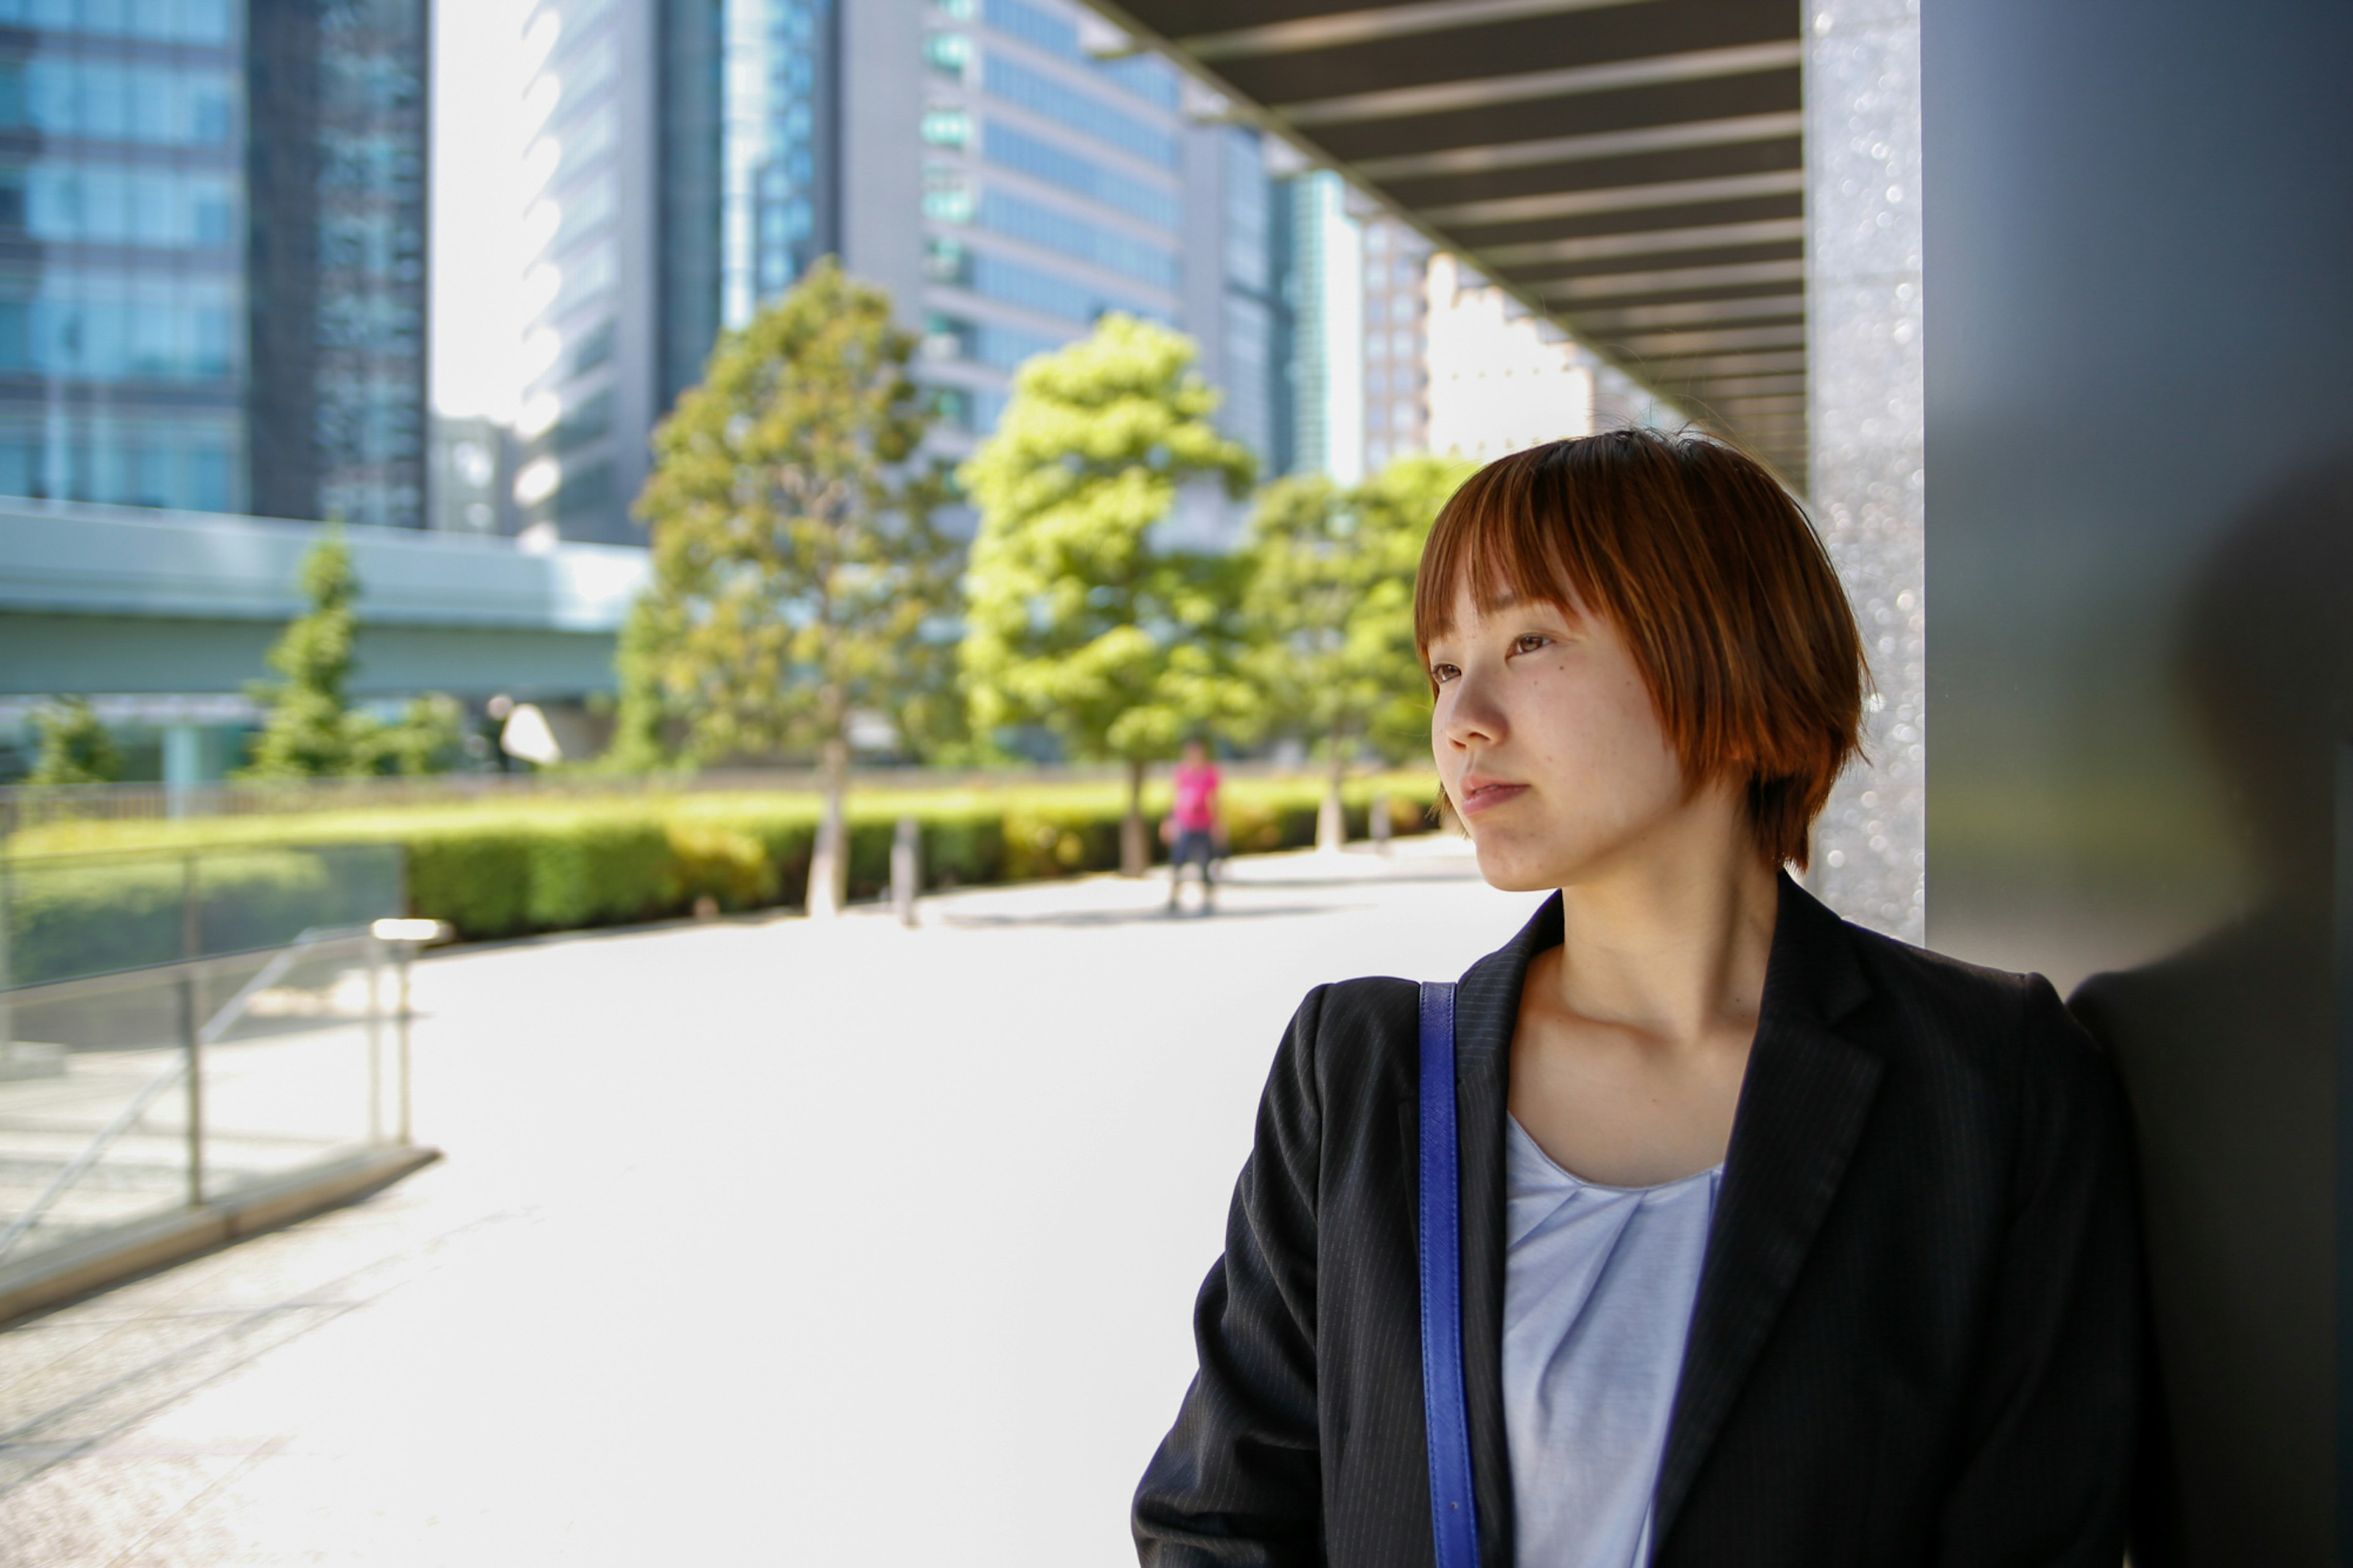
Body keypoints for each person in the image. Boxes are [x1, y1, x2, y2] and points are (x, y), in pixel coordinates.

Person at [1133, 431, 2140, 1566]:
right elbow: (1215, 1519)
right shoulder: (1364, 1070)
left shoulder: (1986, 1077)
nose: (1463, 716)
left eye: (1529, 638)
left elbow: (2042, 1533)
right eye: (1441, 665)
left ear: (1720, 647)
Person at [1165, 739, 1222, 914]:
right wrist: (1170, 821)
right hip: (1185, 824)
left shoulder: (1210, 774)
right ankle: (1174, 897)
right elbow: (1175, 798)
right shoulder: (1182, 773)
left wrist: (1217, 824)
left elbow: (1214, 800)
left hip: (1204, 824)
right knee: (1178, 861)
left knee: (1205, 863)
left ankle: (1208, 898)